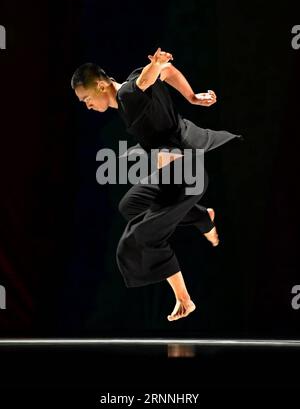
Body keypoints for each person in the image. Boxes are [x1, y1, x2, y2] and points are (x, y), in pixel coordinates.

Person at [71, 47, 243, 321]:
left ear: (102, 86)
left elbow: (148, 79)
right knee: (131, 205)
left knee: (141, 235)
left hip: (187, 178)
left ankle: (184, 299)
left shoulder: (128, 92)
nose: (86, 105)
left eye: (86, 99)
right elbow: (167, 72)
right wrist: (191, 96)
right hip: (177, 175)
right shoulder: (130, 88)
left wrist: (156, 63)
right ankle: (201, 215)